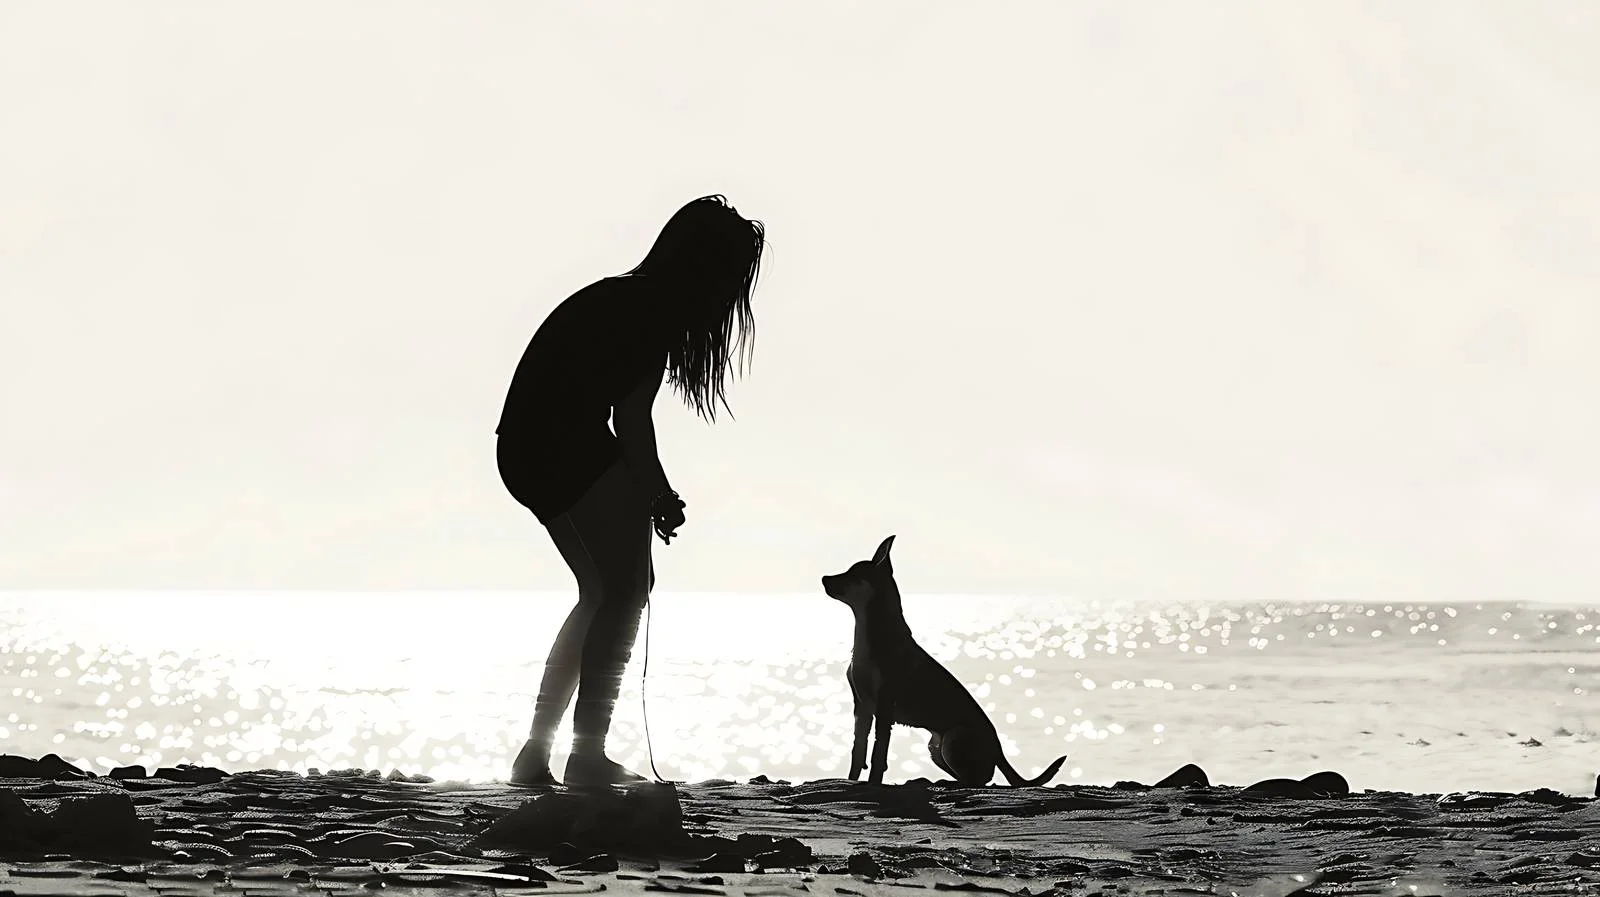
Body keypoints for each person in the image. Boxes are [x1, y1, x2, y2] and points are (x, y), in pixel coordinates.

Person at [495, 195, 766, 786]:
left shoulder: (620, 297)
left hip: (520, 450)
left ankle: (537, 753)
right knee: (625, 590)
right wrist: (660, 496)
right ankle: (586, 754)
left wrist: (645, 492)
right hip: (562, 447)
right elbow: (633, 424)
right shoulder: (647, 311)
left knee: (600, 592)